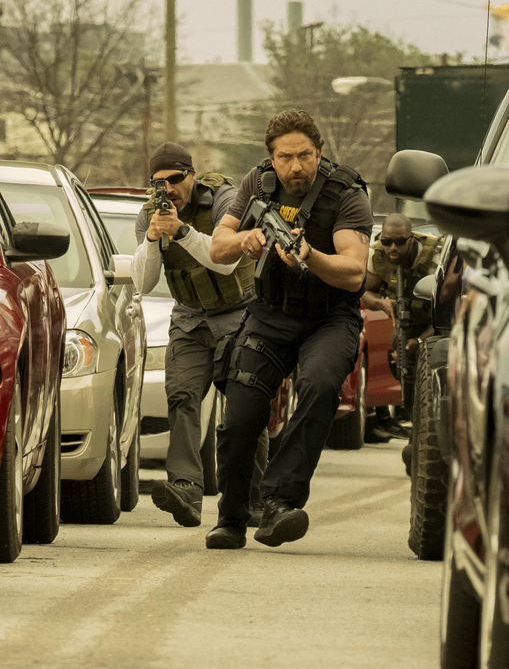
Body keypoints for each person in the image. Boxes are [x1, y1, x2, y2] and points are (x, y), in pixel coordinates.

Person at [206, 109, 373, 550]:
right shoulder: (257, 184)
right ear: (271, 157)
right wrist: (246, 239)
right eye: (285, 157)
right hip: (270, 312)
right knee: (241, 412)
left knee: (319, 385)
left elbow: (354, 272)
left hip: (330, 316)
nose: (295, 166)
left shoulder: (346, 193)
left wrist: (308, 255)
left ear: (319, 152)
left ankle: (279, 502)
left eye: (304, 156)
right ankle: (231, 518)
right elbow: (218, 247)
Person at [131, 142, 267, 527]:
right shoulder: (149, 215)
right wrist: (153, 239)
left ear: (191, 175)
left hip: (240, 313)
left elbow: (225, 263)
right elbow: (143, 282)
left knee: (244, 406)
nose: (168, 189)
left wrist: (182, 231)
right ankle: (186, 489)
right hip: (190, 318)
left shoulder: (224, 200)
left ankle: (252, 498)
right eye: (159, 183)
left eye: (175, 179)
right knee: (182, 398)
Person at [361, 213, 442, 466]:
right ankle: (417, 434)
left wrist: (420, 341)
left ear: (411, 239)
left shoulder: (435, 258)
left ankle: (428, 439)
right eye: (386, 242)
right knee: (405, 377)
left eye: (399, 242)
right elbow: (363, 290)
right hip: (405, 326)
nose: (392, 248)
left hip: (436, 328)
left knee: (432, 383)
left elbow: (451, 312)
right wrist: (381, 304)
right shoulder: (377, 257)